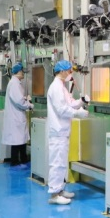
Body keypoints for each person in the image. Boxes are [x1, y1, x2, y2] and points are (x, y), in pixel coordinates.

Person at [46, 60, 88, 205]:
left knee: (62, 163)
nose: (71, 73)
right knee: (57, 163)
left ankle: (60, 190)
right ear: (62, 71)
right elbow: (62, 110)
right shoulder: (56, 87)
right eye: (69, 70)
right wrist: (78, 113)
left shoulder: (61, 86)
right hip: (57, 131)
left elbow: (69, 104)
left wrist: (81, 101)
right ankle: (54, 195)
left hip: (62, 131)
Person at [2, 63, 33, 166]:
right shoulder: (14, 84)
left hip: (17, 116)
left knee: (20, 139)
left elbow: (18, 98)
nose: (23, 73)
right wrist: (29, 105)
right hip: (16, 116)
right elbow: (19, 101)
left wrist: (25, 99)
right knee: (17, 140)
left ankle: (22, 158)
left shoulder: (15, 83)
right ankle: (15, 161)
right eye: (22, 71)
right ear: (19, 71)